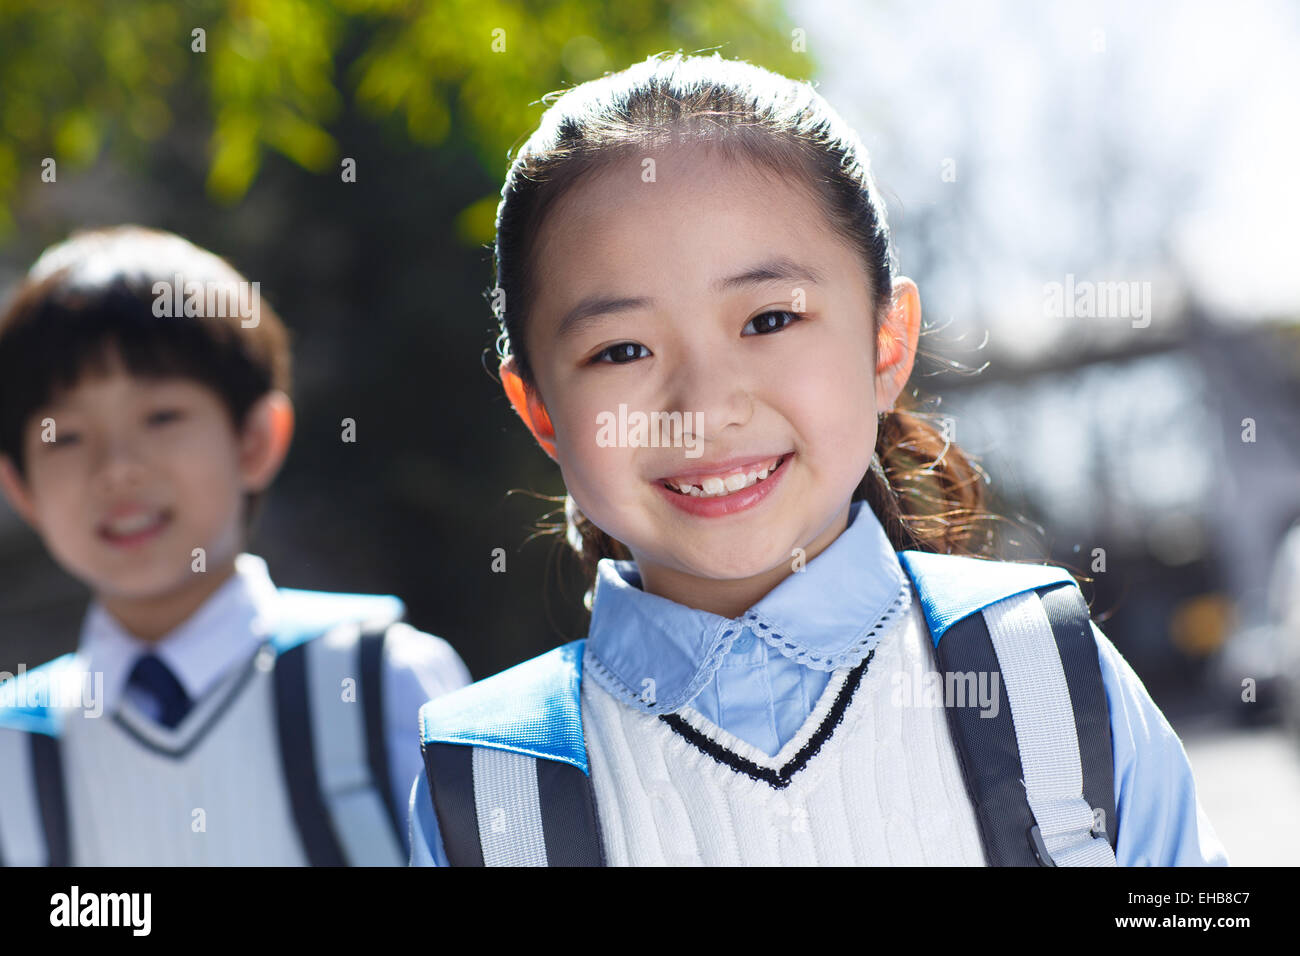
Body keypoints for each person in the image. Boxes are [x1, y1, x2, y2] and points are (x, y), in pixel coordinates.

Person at [408, 53, 1227, 866]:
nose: (706, 408)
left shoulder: (1042, 667)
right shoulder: (494, 784)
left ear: (885, 342)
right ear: (540, 410)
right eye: (622, 348)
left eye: (768, 320)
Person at [0, 226, 469, 865]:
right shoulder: (15, 745)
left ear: (254, 441)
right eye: (66, 436)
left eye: (161, 417)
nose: (116, 469)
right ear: (19, 485)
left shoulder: (374, 680)